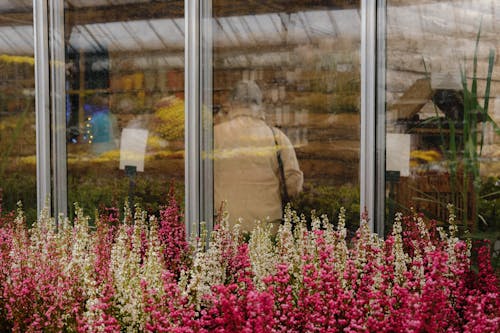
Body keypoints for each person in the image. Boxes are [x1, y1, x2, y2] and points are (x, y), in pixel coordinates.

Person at [214, 80, 303, 234]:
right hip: (267, 226)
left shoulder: (213, 135)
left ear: (231, 104)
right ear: (260, 105)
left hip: (225, 225)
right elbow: (293, 184)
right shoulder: (277, 137)